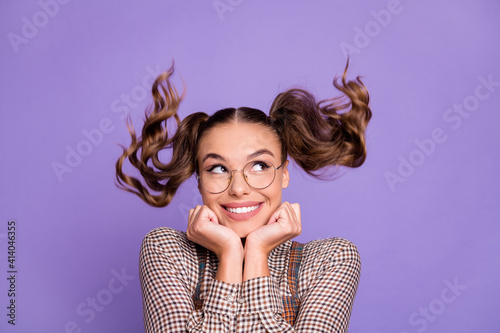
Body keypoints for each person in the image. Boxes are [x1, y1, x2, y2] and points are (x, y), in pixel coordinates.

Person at [115, 60, 372, 332]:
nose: (238, 188)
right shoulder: (167, 251)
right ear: (199, 179)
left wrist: (258, 252)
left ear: (284, 173)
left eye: (259, 166)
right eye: (218, 168)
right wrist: (229, 255)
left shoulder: (330, 260)